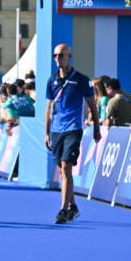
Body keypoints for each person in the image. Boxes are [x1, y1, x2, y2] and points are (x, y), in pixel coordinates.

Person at [45, 44, 100, 224]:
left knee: (66, 166)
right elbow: (48, 109)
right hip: (56, 130)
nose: (58, 59)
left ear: (70, 57)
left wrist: (97, 129)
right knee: (62, 170)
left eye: (61, 55)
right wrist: (47, 133)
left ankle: (62, 210)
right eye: (55, 56)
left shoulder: (81, 80)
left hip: (73, 128)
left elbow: (92, 105)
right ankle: (73, 206)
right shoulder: (52, 80)